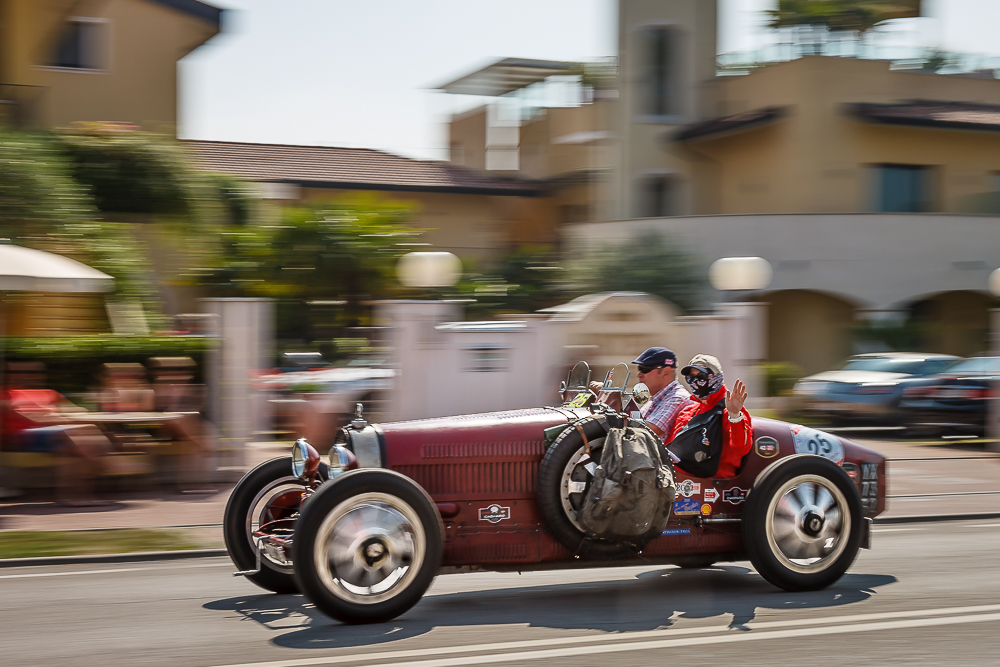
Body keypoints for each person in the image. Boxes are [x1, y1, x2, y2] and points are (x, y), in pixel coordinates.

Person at [1, 362, 114, 505]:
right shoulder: (5, 394)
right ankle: (104, 465)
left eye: (35, 373)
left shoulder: (49, 393)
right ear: (9, 375)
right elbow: (26, 418)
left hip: (56, 433)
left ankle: (72, 496)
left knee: (75, 445)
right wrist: (62, 421)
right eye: (19, 372)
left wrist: (71, 417)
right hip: (23, 436)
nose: (28, 376)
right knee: (81, 434)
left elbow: (78, 412)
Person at [667, 354, 751, 479]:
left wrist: (734, 415)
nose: (695, 382)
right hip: (677, 477)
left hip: (713, 482)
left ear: (717, 377)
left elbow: (741, 449)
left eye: (701, 376)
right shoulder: (687, 412)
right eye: (690, 378)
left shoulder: (730, 411)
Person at [621, 347, 693, 442]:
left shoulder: (678, 397)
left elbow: (647, 429)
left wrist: (615, 412)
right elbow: (634, 421)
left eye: (645, 369)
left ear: (666, 373)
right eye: (639, 368)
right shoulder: (654, 400)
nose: (639, 374)